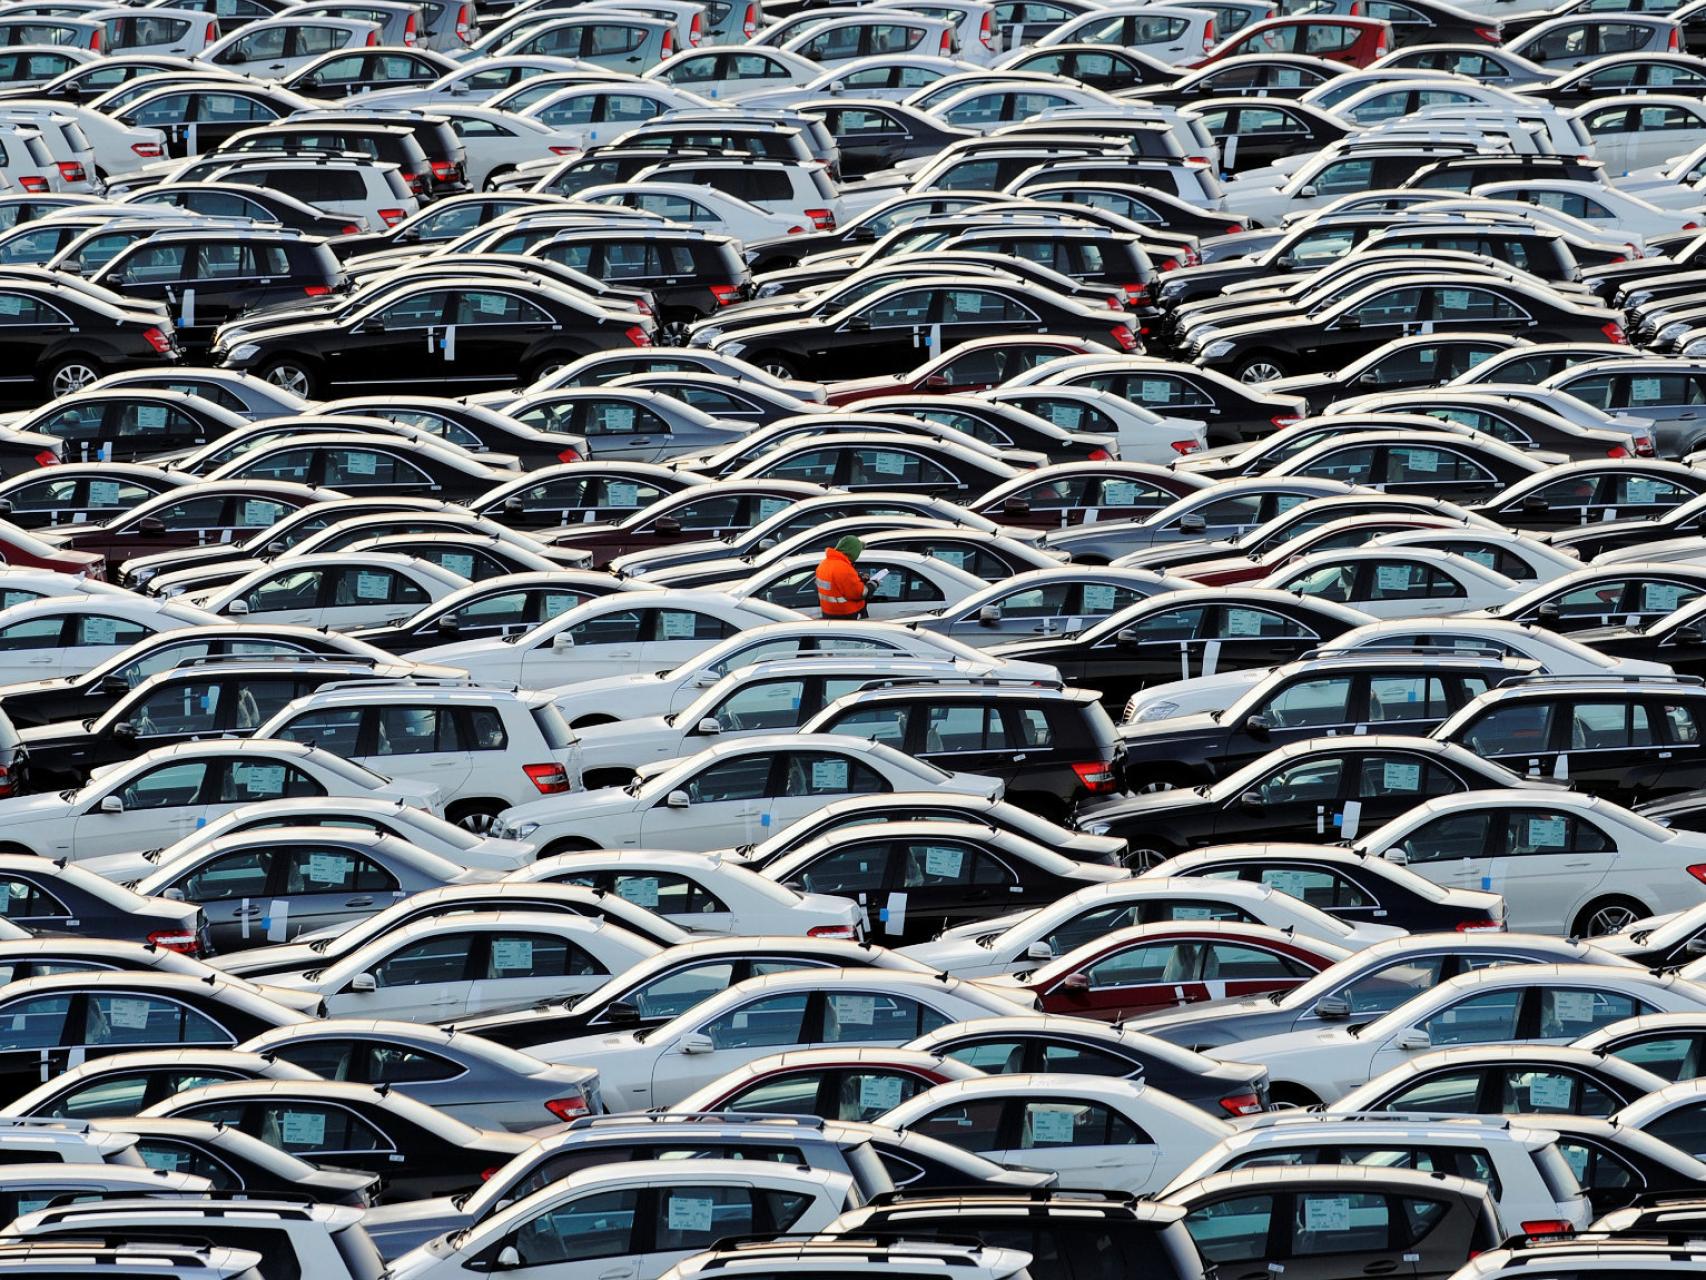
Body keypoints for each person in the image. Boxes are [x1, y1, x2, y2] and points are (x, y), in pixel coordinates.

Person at [816, 535, 868, 619]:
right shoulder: (844, 568)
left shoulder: (824, 564)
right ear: (853, 552)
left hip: (828, 612)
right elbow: (859, 593)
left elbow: (836, 585)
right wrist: (872, 585)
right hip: (846, 614)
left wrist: (858, 578)